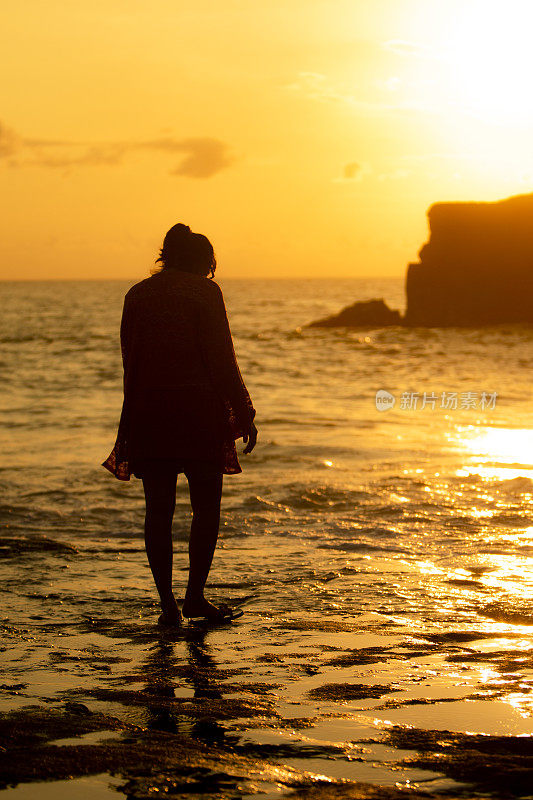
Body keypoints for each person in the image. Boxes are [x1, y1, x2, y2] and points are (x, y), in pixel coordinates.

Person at [102, 223, 257, 626]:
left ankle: (167, 605)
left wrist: (134, 412)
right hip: (198, 415)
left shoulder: (136, 295)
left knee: (158, 511)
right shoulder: (204, 292)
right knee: (205, 509)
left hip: (149, 413)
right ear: (201, 262)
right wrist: (244, 411)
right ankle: (195, 598)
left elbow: (129, 356)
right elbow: (221, 358)